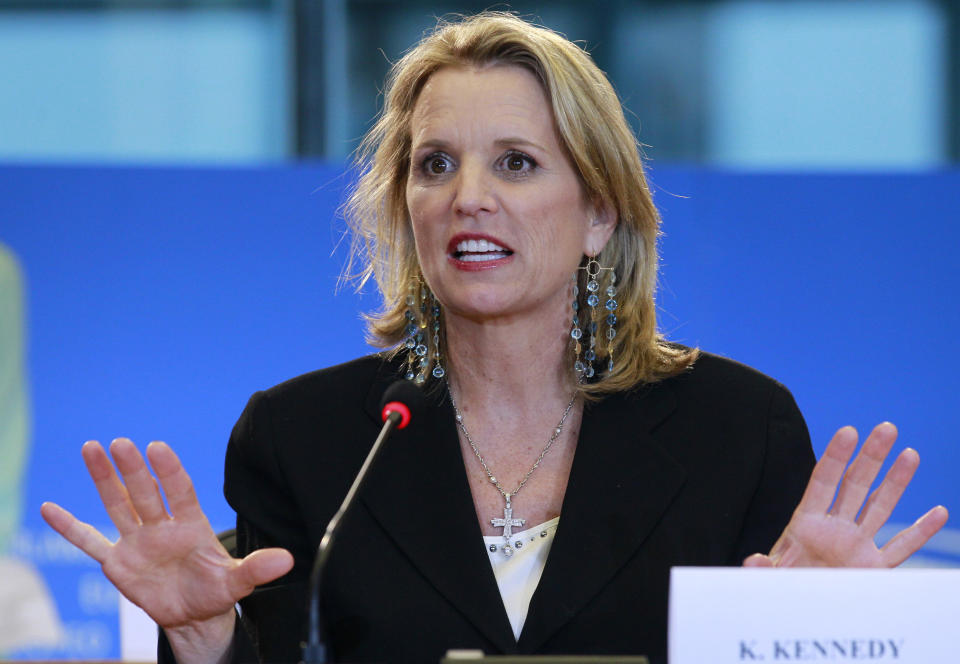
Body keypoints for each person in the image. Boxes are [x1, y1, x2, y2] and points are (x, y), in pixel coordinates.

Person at [41, 12, 948, 664]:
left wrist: (808, 645)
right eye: (436, 165)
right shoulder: (304, 439)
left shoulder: (736, 430)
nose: (468, 195)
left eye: (515, 162)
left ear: (598, 209)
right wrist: (204, 644)